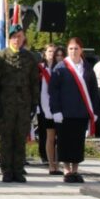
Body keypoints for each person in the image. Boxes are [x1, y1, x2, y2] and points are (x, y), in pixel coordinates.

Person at [49, 37, 100, 183]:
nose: (73, 51)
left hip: (81, 112)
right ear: (68, 50)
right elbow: (53, 91)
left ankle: (75, 170)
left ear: (81, 50)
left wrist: (95, 111)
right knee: (65, 142)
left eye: (76, 48)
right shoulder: (60, 67)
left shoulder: (87, 68)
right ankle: (67, 170)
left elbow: (93, 92)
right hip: (64, 113)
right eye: (71, 49)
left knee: (78, 142)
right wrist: (56, 110)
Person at [0, 25, 38, 182]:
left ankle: (18, 169)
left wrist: (34, 104)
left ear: (23, 37)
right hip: (6, 104)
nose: (17, 40)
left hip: (24, 104)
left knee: (20, 137)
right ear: (9, 38)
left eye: (19, 36)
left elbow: (34, 83)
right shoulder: (1, 57)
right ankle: (6, 170)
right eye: (14, 37)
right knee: (6, 138)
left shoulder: (30, 57)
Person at [37, 44, 62, 175]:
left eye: (54, 51)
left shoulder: (59, 68)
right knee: (48, 136)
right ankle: (50, 163)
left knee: (59, 138)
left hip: (58, 107)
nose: (52, 54)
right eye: (49, 51)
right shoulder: (40, 68)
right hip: (44, 106)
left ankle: (57, 163)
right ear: (44, 53)